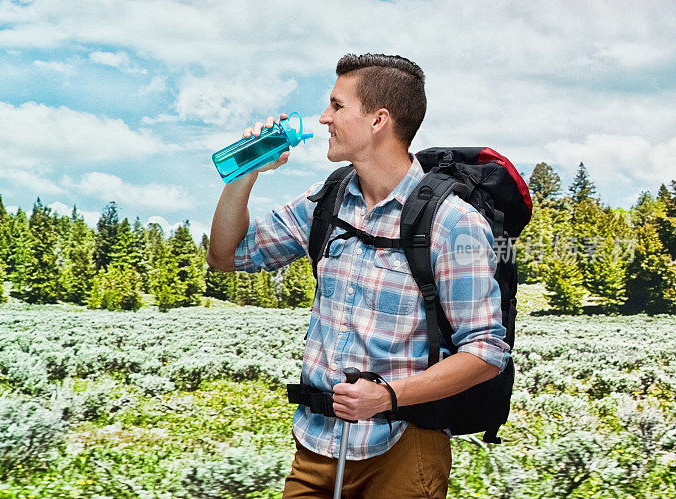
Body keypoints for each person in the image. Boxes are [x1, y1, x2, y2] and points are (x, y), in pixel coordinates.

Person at [207, 53, 510, 498]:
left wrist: (386, 396)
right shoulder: (324, 201)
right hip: (315, 446)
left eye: (337, 106)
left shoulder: (453, 223)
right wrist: (244, 172)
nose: (323, 118)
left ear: (378, 120)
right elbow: (226, 256)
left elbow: (486, 351)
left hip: (405, 448)